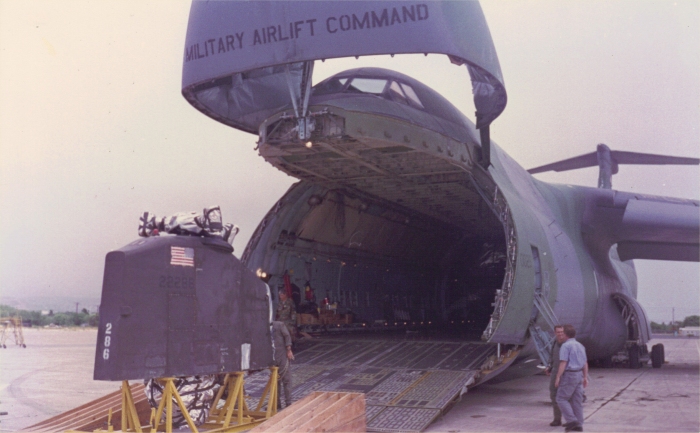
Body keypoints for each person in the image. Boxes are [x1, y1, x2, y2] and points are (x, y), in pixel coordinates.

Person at [555, 324, 589, 432]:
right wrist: (585, 377)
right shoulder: (580, 345)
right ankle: (579, 423)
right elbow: (585, 363)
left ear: (565, 334)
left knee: (561, 399)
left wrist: (558, 376)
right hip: (579, 375)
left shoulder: (565, 346)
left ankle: (572, 421)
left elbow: (563, 362)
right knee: (576, 401)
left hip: (570, 375)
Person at [545, 325, 566, 426]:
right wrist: (549, 367)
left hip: (566, 373)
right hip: (555, 372)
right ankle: (557, 419)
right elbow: (552, 357)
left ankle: (572, 420)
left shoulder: (568, 344)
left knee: (568, 397)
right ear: (555, 333)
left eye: (562, 332)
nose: (560, 334)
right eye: (558, 332)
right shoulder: (554, 343)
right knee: (554, 395)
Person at [271, 321, 295, 408]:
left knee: (286, 379)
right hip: (272, 356)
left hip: (282, 355)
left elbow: (287, 336)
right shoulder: (264, 326)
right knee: (275, 380)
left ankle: (288, 402)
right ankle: (277, 403)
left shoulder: (279, 325)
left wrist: (288, 349)